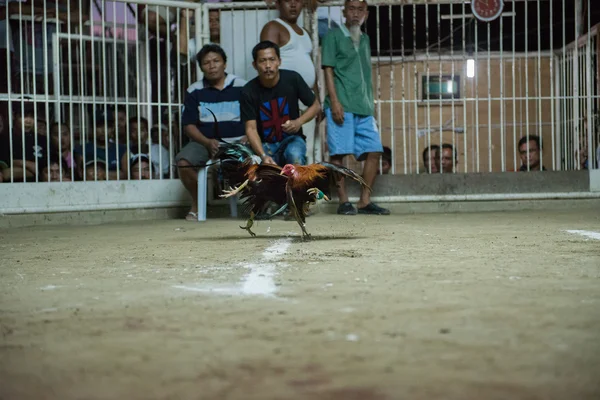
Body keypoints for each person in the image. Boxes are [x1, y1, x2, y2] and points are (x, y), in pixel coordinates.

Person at [321, 0, 389, 215]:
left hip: (363, 107)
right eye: (352, 9)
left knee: (375, 150)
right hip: (342, 104)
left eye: (360, 10)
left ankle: (364, 201)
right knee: (339, 153)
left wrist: (371, 104)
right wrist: (335, 101)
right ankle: (343, 202)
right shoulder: (333, 36)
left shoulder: (366, 39)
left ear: (366, 14)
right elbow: (328, 70)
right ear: (344, 12)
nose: (356, 13)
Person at [176, 44, 247, 221]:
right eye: (206, 62)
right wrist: (207, 142)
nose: (212, 65)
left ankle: (256, 206)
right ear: (201, 67)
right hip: (205, 143)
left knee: (256, 162)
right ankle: (197, 204)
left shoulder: (242, 86)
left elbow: (254, 119)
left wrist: (247, 137)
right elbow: (189, 126)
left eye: (216, 61)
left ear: (225, 64)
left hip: (240, 142)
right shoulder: (195, 91)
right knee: (183, 162)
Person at [240, 40, 320, 167]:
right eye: (262, 61)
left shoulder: (293, 79)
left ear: (279, 61)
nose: (268, 65)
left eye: (272, 59)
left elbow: (316, 106)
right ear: (255, 65)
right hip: (264, 144)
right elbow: (251, 128)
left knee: (295, 156)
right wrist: (262, 155)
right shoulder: (248, 91)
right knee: (250, 165)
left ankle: (297, 188)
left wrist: (299, 122)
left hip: (292, 140)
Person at [260, 0, 320, 163]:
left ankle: (303, 189)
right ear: (278, 4)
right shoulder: (273, 27)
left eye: (298, 0)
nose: (293, 4)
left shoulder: (305, 32)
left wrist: (317, 100)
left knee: (307, 155)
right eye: (287, 0)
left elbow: (310, 68)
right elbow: (267, 65)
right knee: (285, 155)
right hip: (284, 103)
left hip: (306, 100)